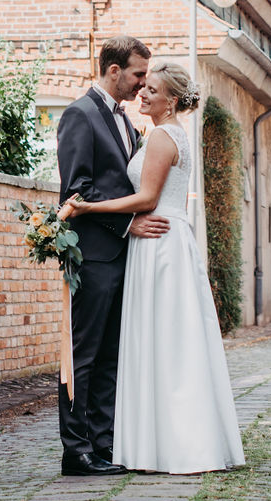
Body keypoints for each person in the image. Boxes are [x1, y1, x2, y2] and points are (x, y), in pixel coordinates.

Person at [65, 60, 245, 474]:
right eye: (142, 87)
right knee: (169, 341)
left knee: (165, 343)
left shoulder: (164, 136)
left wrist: (88, 206)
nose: (142, 94)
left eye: (152, 90)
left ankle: (173, 444)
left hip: (159, 244)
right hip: (163, 240)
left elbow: (147, 198)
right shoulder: (163, 133)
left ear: (172, 100)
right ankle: (162, 441)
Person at [55, 35, 169, 477]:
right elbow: (76, 190)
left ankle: (104, 443)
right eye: (139, 74)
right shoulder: (79, 115)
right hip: (94, 256)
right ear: (114, 70)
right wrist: (126, 224)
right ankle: (76, 450)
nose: (143, 84)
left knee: (111, 356)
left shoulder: (124, 120)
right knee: (82, 355)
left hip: (124, 257)